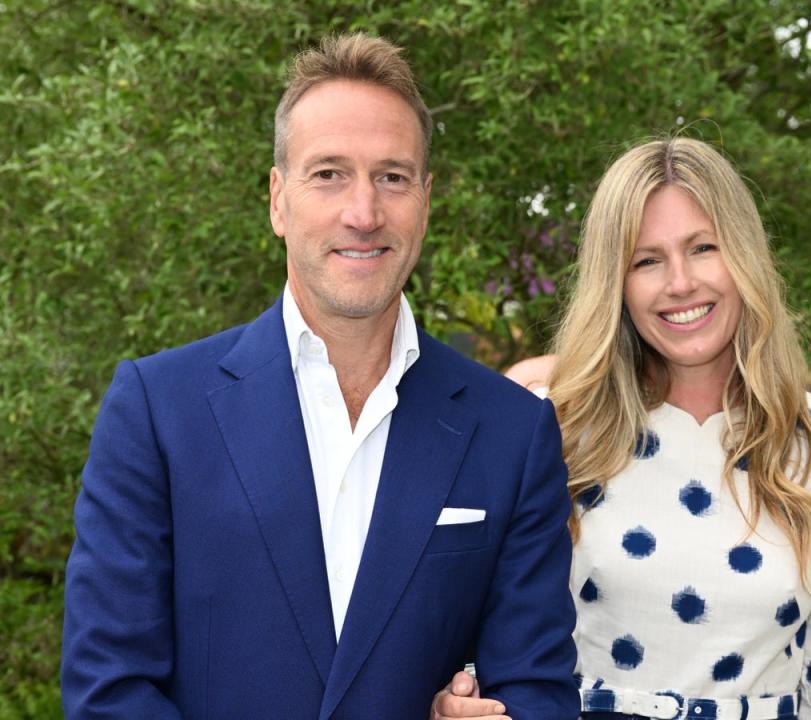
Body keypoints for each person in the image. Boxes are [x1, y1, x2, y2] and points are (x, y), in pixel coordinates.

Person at [60, 33, 579, 720]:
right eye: (329, 173)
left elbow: (539, 694)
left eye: (391, 177)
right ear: (279, 200)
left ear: (425, 202)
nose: (362, 213)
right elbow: (108, 690)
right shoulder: (157, 411)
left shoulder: (513, 432)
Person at [433, 138, 811, 720]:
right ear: (614, 284)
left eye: (702, 248)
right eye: (647, 260)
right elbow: (478, 636)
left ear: (745, 255)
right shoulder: (550, 428)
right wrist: (457, 697)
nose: (680, 283)